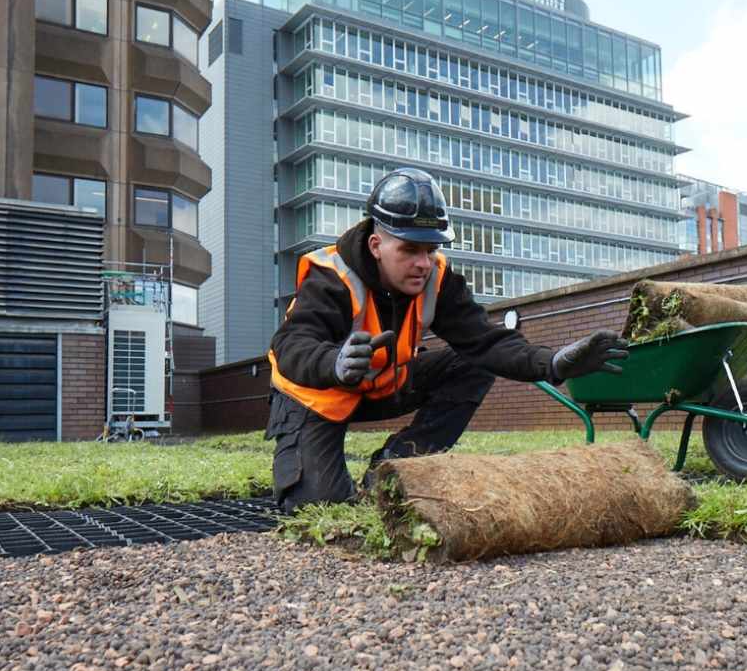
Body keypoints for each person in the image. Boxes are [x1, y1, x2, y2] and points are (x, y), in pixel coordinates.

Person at [266, 167, 628, 513]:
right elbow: (291, 345)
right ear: (377, 245)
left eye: (431, 249)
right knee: (319, 505)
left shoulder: (437, 278)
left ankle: (398, 466)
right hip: (317, 394)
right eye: (410, 249)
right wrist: (334, 363)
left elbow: (485, 341)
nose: (424, 262)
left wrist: (550, 362)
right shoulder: (332, 276)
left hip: (380, 386)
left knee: (472, 363)